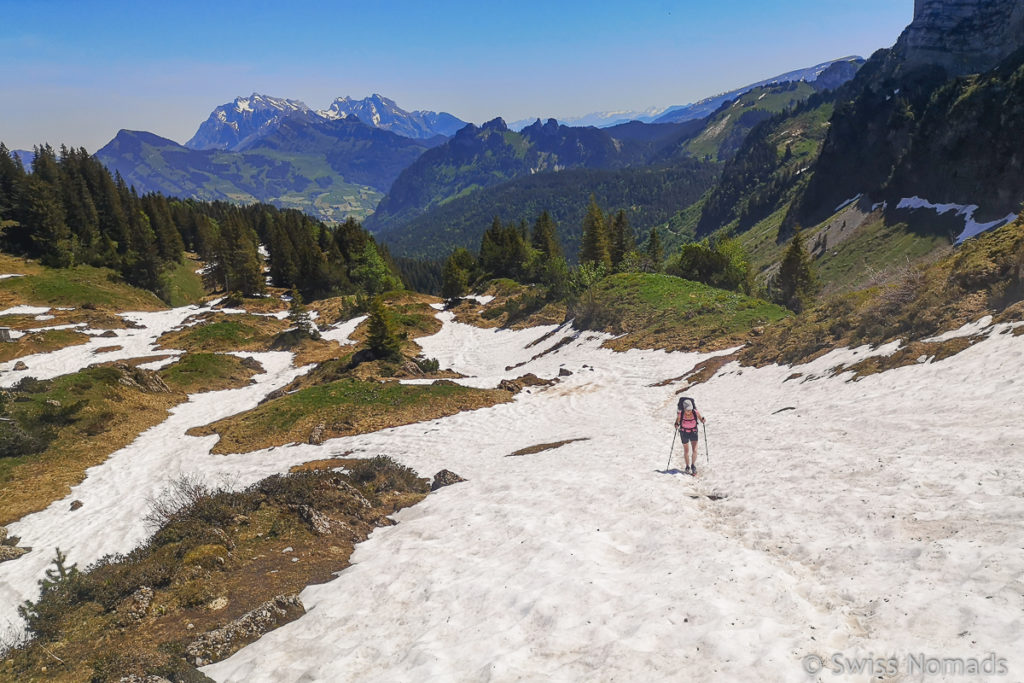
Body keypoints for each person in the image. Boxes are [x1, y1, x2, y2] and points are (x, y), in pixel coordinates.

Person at [674, 398, 705, 475]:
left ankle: (693, 465)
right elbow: (677, 421)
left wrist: (703, 420)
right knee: (686, 451)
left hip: (693, 432)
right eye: (687, 410)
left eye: (690, 409)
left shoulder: (695, 412)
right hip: (684, 433)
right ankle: (687, 466)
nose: (689, 411)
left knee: (695, 450)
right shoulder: (680, 413)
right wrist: (676, 424)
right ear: (684, 409)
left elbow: (700, 419)